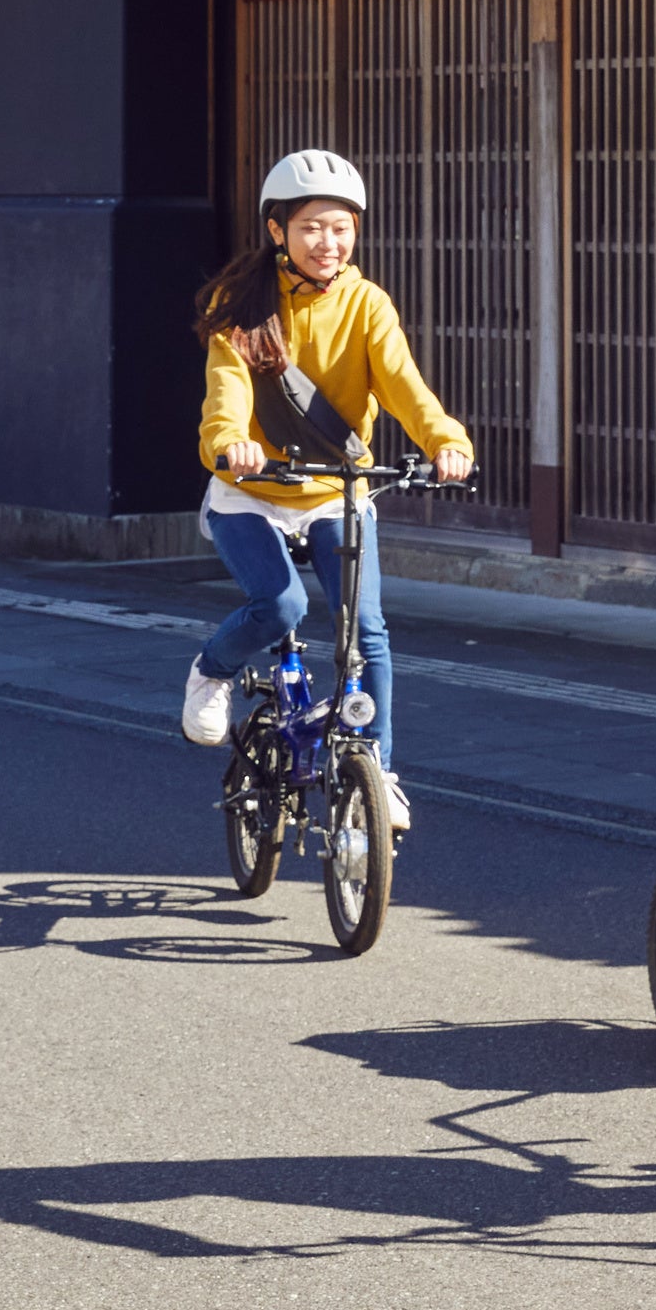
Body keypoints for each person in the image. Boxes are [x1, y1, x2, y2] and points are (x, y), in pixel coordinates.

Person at [178, 148, 473, 833]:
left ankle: (381, 771)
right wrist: (231, 444)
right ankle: (211, 670)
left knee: (366, 634)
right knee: (280, 605)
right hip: (250, 492)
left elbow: (405, 386)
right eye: (311, 226)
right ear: (277, 230)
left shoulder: (367, 304)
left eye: (341, 227)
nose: (328, 242)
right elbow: (223, 396)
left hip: (333, 491)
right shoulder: (240, 308)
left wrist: (446, 442)